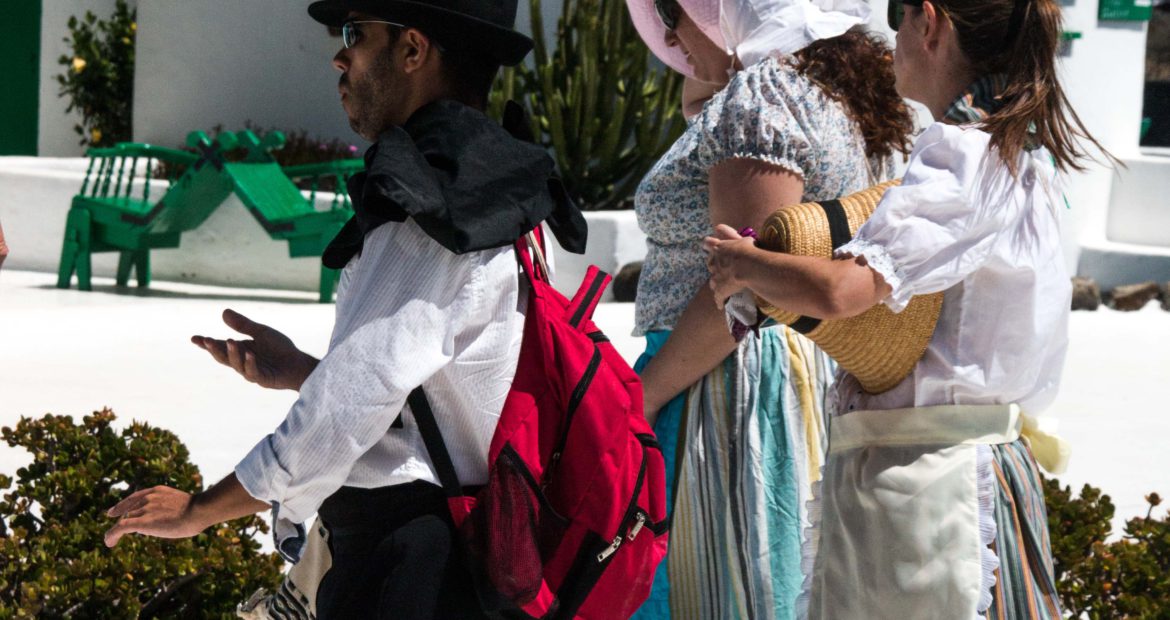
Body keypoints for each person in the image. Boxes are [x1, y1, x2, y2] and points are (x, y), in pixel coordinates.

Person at [103, 0, 585, 617]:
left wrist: (200, 510)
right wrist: (309, 372)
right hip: (460, 549)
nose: (339, 55)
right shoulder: (500, 189)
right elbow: (447, 386)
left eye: (356, 33)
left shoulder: (436, 209)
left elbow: (349, 406)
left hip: (410, 562)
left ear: (413, 50)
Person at [705, 0, 1110, 615]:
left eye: (896, 14)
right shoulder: (1026, 157)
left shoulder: (965, 156)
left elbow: (844, 291)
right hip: (971, 460)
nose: (888, 33)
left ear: (930, 22)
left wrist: (743, 263)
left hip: (925, 478)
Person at [623, 0, 914, 615]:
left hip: (720, 381)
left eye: (673, 20)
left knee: (713, 588)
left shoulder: (764, 98)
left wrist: (641, 399)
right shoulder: (860, 99)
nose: (672, 43)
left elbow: (741, 294)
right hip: (805, 371)